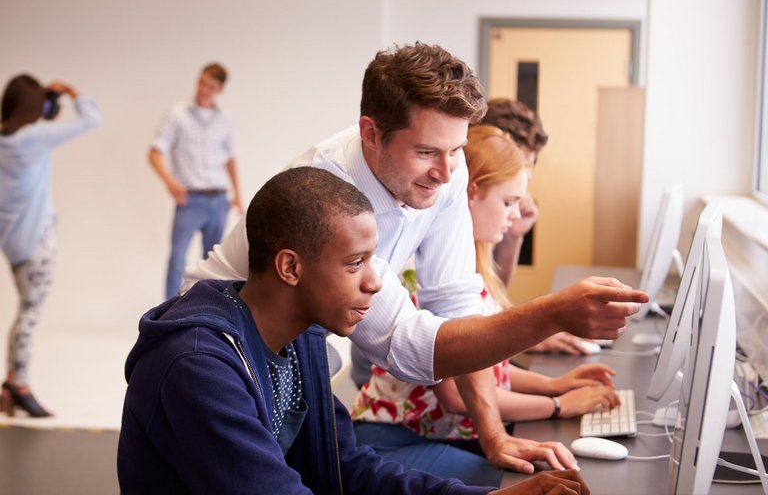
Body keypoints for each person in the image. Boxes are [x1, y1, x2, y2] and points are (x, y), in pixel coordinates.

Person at [183, 42, 648, 473]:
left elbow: (457, 305)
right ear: (371, 133)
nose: (447, 173)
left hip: (301, 352)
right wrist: (552, 314)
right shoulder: (329, 192)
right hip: (227, 347)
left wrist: (493, 437)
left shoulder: (445, 166)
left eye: (456, 150)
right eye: (426, 151)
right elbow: (411, 349)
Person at [117, 166, 591, 495]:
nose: (374, 281)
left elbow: (346, 468)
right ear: (290, 267)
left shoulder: (299, 340)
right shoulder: (197, 367)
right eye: (355, 263)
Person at [351, 125, 620, 486]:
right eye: (508, 202)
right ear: (471, 193)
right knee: (524, 481)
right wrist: (559, 405)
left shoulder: (472, 273)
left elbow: (490, 371)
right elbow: (455, 396)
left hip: (435, 434)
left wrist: (554, 385)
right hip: (390, 443)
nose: (513, 218)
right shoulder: (422, 278)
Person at [0, 74, 101, 417]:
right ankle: (19, 385)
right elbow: (91, 119)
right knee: (30, 312)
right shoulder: (35, 138)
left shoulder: (6, 139)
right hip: (37, 243)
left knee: (24, 310)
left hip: (12, 244)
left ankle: (12, 382)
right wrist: (73, 92)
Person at [479, 98, 591, 356]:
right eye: (519, 163)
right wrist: (527, 338)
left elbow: (492, 297)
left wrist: (514, 235)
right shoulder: (474, 209)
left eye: (530, 165)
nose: (525, 176)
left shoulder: (498, 211)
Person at [147, 62, 243, 300]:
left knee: (215, 265)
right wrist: (170, 182)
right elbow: (155, 152)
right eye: (201, 82)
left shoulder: (224, 120)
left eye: (210, 86)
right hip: (189, 199)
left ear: (219, 89)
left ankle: (207, 314)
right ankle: (168, 316)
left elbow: (230, 158)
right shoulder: (177, 114)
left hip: (218, 199)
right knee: (177, 259)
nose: (203, 89)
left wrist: (237, 194)